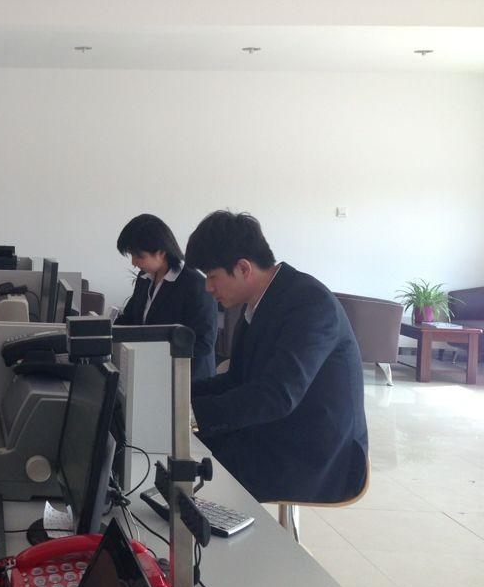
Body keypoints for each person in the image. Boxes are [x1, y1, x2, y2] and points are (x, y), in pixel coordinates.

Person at [184, 210, 368, 504]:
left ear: (243, 268)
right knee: (177, 449)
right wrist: (177, 395)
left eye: (212, 276)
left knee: (185, 462)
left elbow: (278, 395)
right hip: (275, 431)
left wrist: (190, 415)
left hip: (311, 455)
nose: (208, 287)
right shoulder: (259, 303)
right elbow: (236, 380)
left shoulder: (310, 304)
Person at [116, 213, 218, 381]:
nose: (133, 262)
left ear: (161, 252)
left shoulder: (195, 285)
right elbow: (130, 320)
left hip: (187, 379)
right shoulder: (144, 278)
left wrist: (157, 356)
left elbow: (204, 343)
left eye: (139, 256)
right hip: (151, 372)